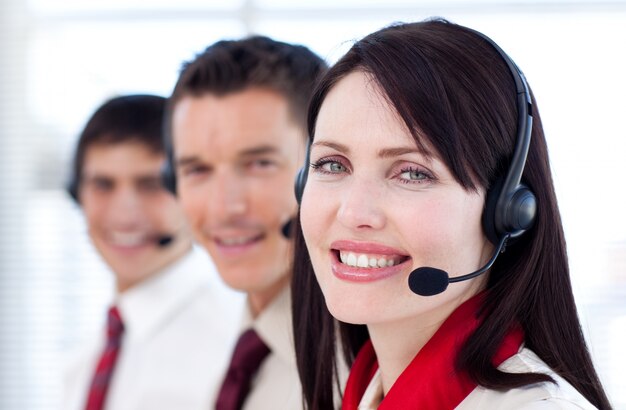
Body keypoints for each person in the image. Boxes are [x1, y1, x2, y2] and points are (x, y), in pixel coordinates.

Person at [292, 19, 612, 410]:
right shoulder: (367, 390)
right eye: (332, 165)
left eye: (412, 173)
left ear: (506, 211)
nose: (354, 212)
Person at [163, 36, 328, 409]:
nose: (225, 207)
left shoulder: (365, 376)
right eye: (197, 170)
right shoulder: (219, 350)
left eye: (260, 163)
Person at [63, 94, 243, 410]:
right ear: (77, 194)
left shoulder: (231, 348)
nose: (124, 214)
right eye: (103, 185)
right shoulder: (87, 355)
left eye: (151, 185)